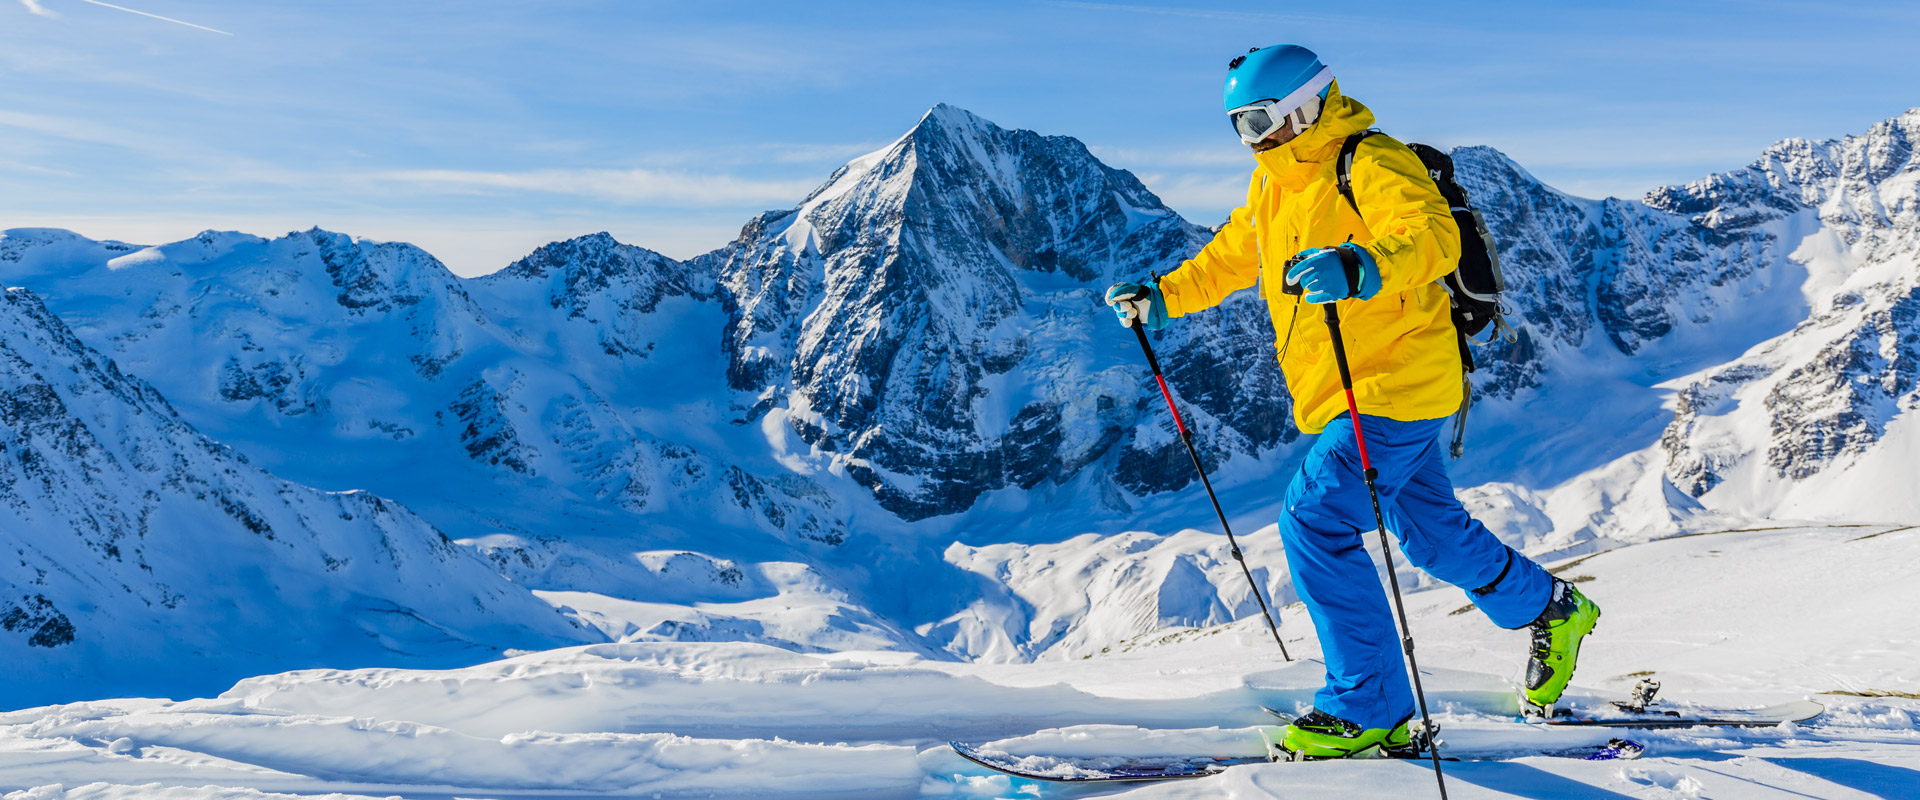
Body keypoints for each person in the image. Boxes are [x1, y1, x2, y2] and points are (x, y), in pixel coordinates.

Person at [1104, 44, 1600, 760]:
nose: (1252, 137)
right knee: (1430, 532)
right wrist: (1161, 297)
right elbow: (1232, 256)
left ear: (1305, 106)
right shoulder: (1276, 188)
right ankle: (1554, 610)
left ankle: (1370, 707)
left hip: (1395, 386)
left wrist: (1363, 265)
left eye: (1260, 119)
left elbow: (1432, 235)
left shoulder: (1370, 161)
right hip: (1359, 390)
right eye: (1238, 124)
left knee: (1314, 517)